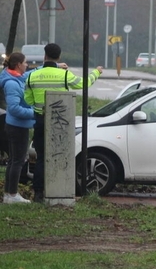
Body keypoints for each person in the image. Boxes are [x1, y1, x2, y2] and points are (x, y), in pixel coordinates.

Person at [23, 43, 102, 201]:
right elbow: (84, 83)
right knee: (60, 155)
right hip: (60, 123)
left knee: (41, 158)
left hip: (40, 121)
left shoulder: (32, 75)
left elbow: (28, 99)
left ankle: (38, 193)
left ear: (44, 56)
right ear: (59, 57)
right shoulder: (64, 75)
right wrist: (96, 72)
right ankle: (58, 189)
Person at [1, 52, 34, 204]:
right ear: (18, 64)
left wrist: (53, 66)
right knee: (17, 161)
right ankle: (13, 194)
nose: (27, 65)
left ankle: (9, 194)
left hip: (16, 125)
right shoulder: (12, 83)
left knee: (14, 160)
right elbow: (14, 108)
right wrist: (35, 113)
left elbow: (29, 73)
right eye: (25, 63)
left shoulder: (15, 77)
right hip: (17, 126)